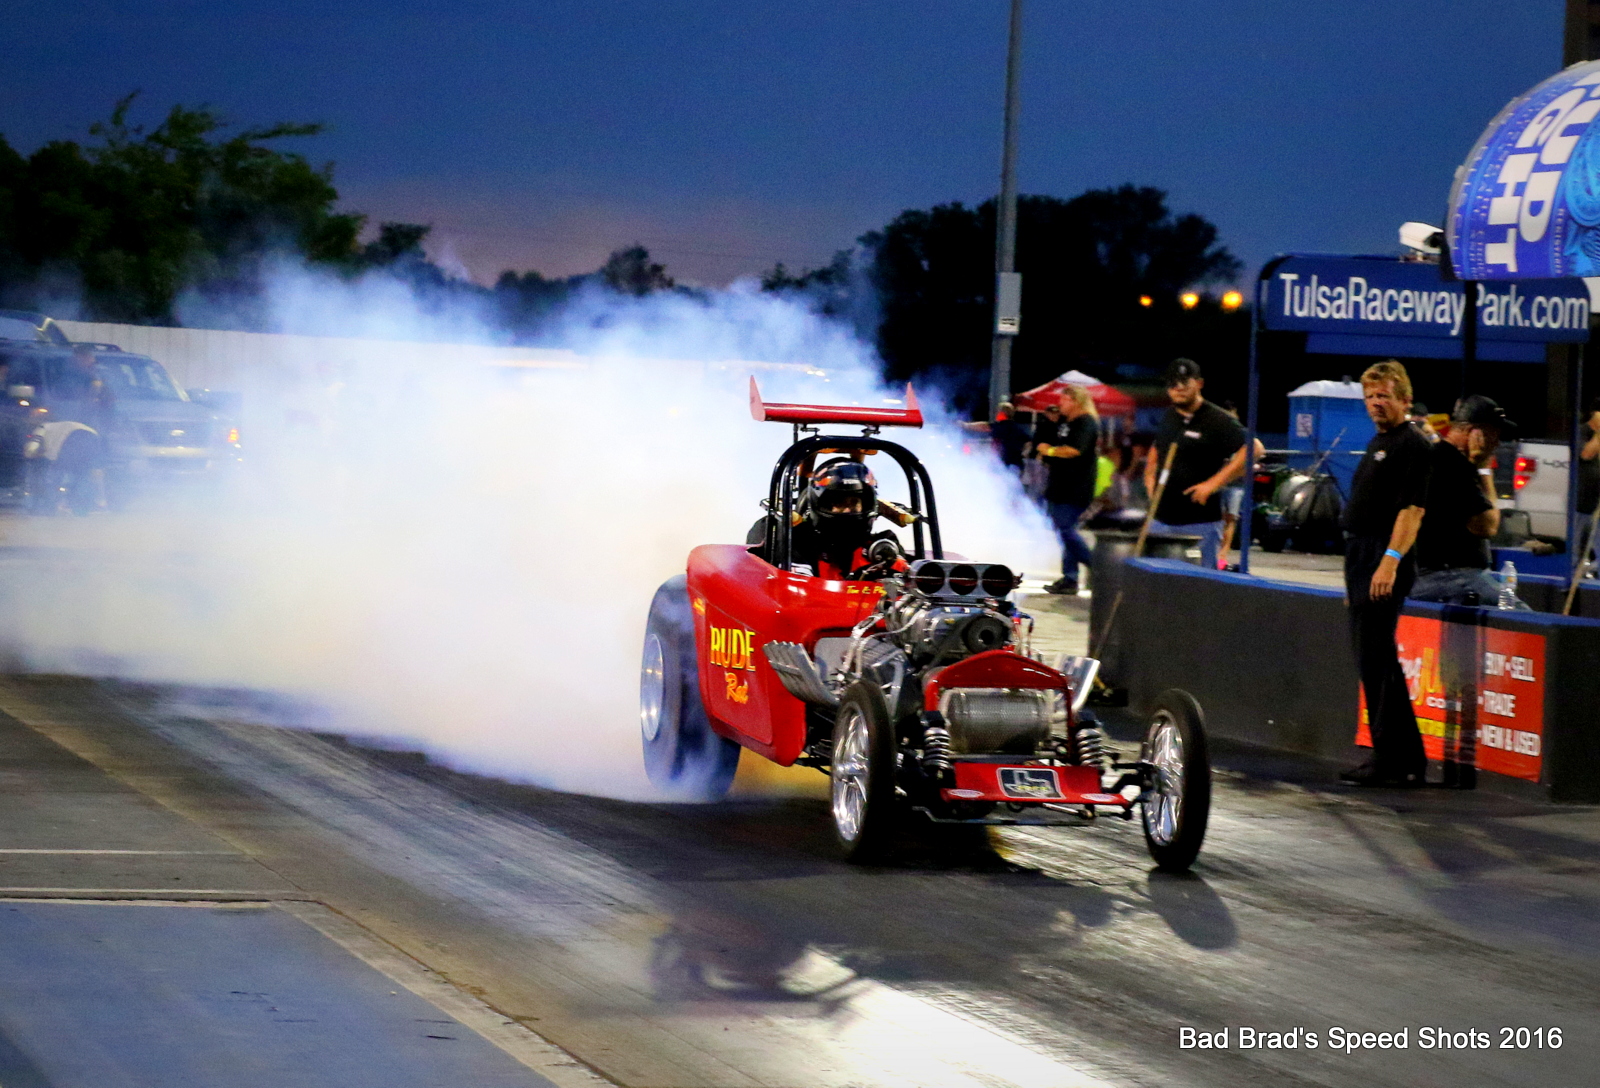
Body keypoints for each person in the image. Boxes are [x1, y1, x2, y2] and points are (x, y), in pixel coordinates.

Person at [1339, 360, 1432, 788]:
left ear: (1405, 400)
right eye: (1370, 397)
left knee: (1376, 660)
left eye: (1384, 397)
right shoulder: (1381, 441)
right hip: (1362, 557)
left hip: (1382, 555)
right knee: (1373, 660)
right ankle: (1405, 756)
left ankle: (1392, 759)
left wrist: (1390, 560)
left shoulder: (1411, 445)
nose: (1376, 404)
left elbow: (1411, 511)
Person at [1411, 396, 1528, 608]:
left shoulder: (1448, 460)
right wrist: (1483, 469)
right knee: (1521, 615)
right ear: (1475, 432)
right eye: (1495, 433)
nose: (1498, 442)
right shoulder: (1452, 465)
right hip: (1449, 575)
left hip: (1450, 574)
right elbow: (1488, 525)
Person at [1143, 359, 1248, 570]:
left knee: (1199, 590)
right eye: (1173, 383)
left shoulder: (1218, 420)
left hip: (1200, 524)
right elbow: (1157, 448)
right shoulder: (1169, 416)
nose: (1179, 388)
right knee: (1159, 590)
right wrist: (1149, 477)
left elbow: (1254, 448)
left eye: (1185, 382)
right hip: (1161, 521)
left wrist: (1213, 484)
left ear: (1199, 384)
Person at [787, 460, 904, 580]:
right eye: (839, 503)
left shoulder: (882, 551)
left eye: (854, 503)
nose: (848, 510)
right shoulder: (797, 545)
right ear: (824, 504)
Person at [1035, 386, 1099, 594]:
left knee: (1065, 529)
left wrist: (1050, 450)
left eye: (1064, 401)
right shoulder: (1066, 423)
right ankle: (1070, 578)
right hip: (1059, 484)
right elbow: (1055, 442)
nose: (1060, 404)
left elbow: (1074, 449)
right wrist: (1046, 450)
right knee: (1064, 530)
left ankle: (1096, 565)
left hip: (1076, 486)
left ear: (1075, 402)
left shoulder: (1085, 422)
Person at [990, 401, 1029, 473]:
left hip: (1002, 463)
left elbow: (985, 426)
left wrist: (965, 425)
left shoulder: (999, 426)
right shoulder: (1018, 428)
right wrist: (1024, 453)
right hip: (1016, 463)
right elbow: (1028, 442)